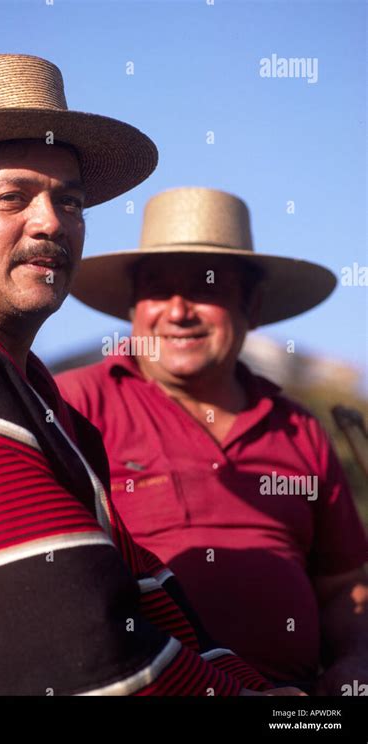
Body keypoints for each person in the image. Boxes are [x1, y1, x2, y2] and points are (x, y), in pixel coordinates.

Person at [0, 54, 294, 697]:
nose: (51, 221)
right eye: (13, 197)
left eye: (69, 201)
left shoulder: (47, 405)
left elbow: (130, 588)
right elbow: (68, 636)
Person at [57, 186, 368, 694]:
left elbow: (344, 588)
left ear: (252, 304)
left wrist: (354, 666)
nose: (179, 311)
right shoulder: (76, 405)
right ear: (134, 305)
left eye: (205, 287)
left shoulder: (301, 429)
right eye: (158, 287)